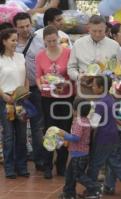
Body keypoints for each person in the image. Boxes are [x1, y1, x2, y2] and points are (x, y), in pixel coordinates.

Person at [35, 25, 74, 179]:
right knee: (49, 130)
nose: (52, 43)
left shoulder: (68, 53)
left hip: (66, 97)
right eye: (48, 41)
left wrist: (64, 84)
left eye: (54, 40)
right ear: (44, 41)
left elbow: (71, 73)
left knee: (64, 129)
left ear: (59, 38)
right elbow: (39, 76)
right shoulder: (40, 56)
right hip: (48, 98)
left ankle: (61, 165)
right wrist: (41, 86)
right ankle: (47, 164)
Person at [13, 12, 45, 172]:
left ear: (31, 24)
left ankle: (39, 160)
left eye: (27, 25)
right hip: (17, 93)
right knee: (19, 128)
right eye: (21, 27)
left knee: (37, 127)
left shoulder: (40, 42)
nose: (25, 29)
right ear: (15, 28)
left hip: (36, 90)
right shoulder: (11, 44)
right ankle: (21, 162)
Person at [0, 28, 30, 178]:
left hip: (21, 100)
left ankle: (22, 166)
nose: (15, 43)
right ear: (4, 41)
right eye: (12, 40)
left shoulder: (20, 57)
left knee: (22, 134)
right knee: (8, 136)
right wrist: (4, 96)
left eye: (16, 40)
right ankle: (10, 168)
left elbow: (25, 77)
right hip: (5, 100)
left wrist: (25, 90)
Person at [67, 15, 121, 97]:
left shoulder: (114, 46)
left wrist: (114, 77)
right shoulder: (78, 44)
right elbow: (71, 68)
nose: (97, 34)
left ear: (105, 28)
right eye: (94, 31)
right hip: (84, 90)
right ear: (88, 28)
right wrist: (78, 76)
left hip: (107, 92)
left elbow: (117, 70)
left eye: (100, 31)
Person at [58, 97, 101, 199]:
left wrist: (64, 134)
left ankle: (95, 187)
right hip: (82, 153)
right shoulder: (86, 120)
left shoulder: (78, 122)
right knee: (70, 175)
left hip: (78, 155)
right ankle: (68, 193)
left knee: (78, 175)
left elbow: (76, 137)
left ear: (76, 110)